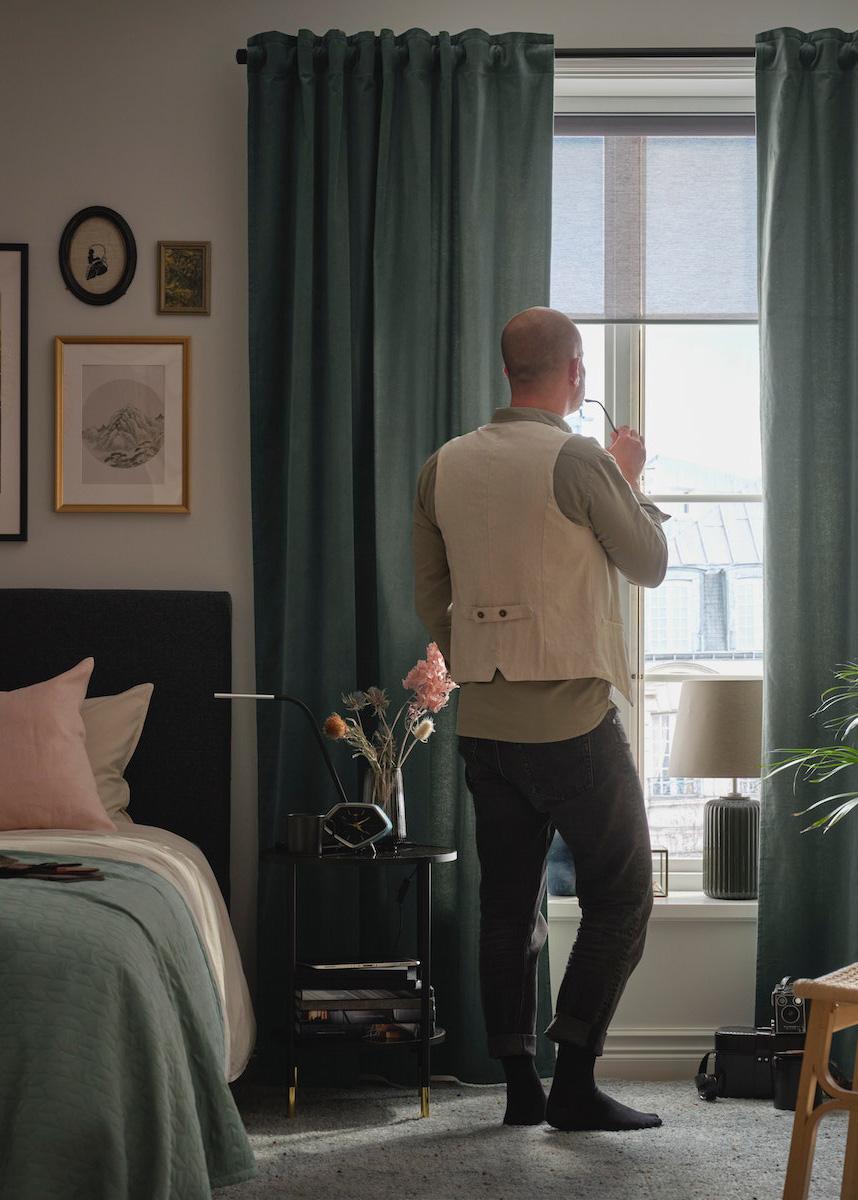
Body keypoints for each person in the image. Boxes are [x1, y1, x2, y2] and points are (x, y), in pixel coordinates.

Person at [412, 306, 670, 1132]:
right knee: (623, 895)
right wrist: (627, 475)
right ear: (576, 371)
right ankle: (576, 1081)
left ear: (506, 372)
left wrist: (485, 664)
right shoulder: (581, 459)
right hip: (573, 725)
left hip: (484, 728)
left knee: (507, 907)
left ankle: (521, 1084)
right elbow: (650, 563)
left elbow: (431, 597)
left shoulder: (442, 465)